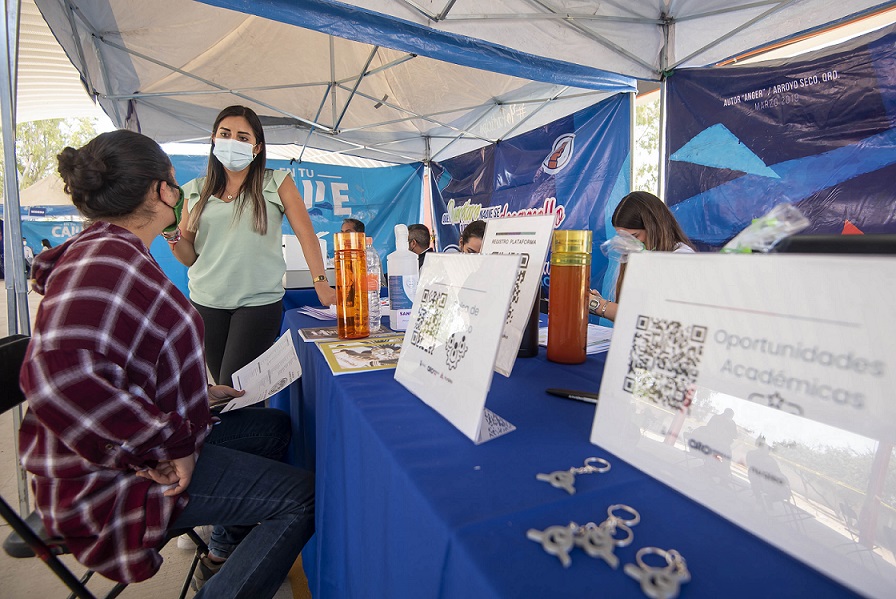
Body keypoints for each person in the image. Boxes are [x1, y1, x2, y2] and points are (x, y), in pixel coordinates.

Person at [18, 129, 314, 598]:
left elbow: (122, 358)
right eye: (175, 185)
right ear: (160, 191)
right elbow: (59, 377)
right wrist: (168, 441)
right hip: (112, 478)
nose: (178, 195)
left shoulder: (117, 252)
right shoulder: (103, 264)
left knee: (271, 428)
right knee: (305, 498)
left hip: (143, 446)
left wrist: (196, 393)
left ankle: (221, 552)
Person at [168, 105, 337, 385]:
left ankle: (257, 429)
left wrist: (320, 282)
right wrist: (170, 233)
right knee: (223, 389)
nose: (232, 142)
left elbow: (306, 234)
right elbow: (188, 256)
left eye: (243, 137)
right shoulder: (194, 189)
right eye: (225, 134)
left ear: (256, 148)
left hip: (257, 303)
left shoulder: (276, 182)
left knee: (238, 389)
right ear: (213, 139)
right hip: (205, 302)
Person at [589, 191, 695, 321]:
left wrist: (598, 305)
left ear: (655, 227)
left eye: (634, 236)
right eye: (623, 238)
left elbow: (652, 318)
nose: (629, 244)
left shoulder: (682, 258)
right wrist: (599, 302)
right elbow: (630, 317)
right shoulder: (635, 258)